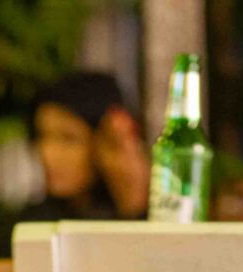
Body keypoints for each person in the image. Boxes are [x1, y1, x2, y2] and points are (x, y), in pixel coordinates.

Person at [17, 71, 148, 224]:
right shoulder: (31, 223)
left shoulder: (164, 217)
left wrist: (133, 205)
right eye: (41, 135)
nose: (46, 153)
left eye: (68, 138)